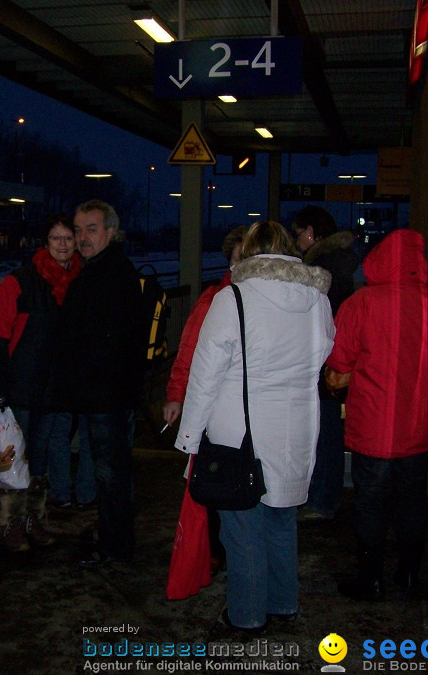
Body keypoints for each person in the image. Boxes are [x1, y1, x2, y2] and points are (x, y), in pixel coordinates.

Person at [176, 220, 334, 633]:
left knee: (242, 527)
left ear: (247, 253)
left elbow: (205, 374)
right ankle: (283, 604)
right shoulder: (317, 299)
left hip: (239, 433)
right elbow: (321, 356)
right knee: (281, 520)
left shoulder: (233, 298)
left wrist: (189, 437)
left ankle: (246, 615)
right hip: (297, 427)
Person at [325, 228, 428, 602]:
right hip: (420, 425)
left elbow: (339, 361)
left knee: (370, 501)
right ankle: (408, 576)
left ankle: (370, 579)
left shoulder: (363, 303)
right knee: (412, 499)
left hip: (374, 425)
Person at [0, 214, 82, 551]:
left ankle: (33, 520)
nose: (63, 245)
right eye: (56, 238)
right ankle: (9, 523)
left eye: (68, 238)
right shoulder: (20, 283)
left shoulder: (79, 285)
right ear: (45, 243)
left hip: (56, 390)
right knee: (13, 460)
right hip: (20, 390)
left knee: (38, 462)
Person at [55, 199, 145, 568]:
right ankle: (115, 540)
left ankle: (113, 547)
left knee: (110, 475)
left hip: (105, 395)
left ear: (110, 231)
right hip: (108, 393)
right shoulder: (106, 270)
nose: (82, 238)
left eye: (91, 229)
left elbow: (101, 341)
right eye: (78, 231)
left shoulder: (107, 275)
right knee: (114, 472)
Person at [162, 225, 247, 574]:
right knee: (214, 478)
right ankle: (214, 549)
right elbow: (189, 350)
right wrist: (176, 395)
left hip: (250, 411)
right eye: (239, 257)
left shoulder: (266, 301)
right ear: (229, 260)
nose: (244, 265)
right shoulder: (213, 299)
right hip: (215, 408)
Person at [292, 205, 359, 521]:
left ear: (312, 232)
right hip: (335, 360)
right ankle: (323, 496)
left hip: (324, 362)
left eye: (300, 232)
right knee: (327, 430)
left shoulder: (321, 269)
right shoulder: (342, 263)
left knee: (324, 433)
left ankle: (322, 498)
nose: (297, 239)